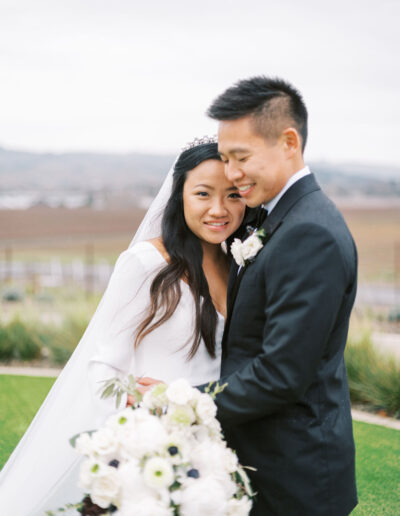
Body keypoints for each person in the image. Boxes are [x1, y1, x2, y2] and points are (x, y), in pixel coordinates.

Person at [0, 138, 246, 515]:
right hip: (147, 445)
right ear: (179, 196)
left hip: (213, 445)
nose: (219, 209)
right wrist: (135, 439)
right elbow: (104, 367)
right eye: (203, 194)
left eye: (233, 195)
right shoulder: (146, 263)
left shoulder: (240, 267)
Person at [203, 76, 359, 515]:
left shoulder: (310, 232)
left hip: (295, 478)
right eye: (224, 158)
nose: (232, 174)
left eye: (241, 157)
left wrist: (182, 404)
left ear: (289, 141)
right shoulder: (273, 216)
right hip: (263, 463)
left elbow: (281, 373)